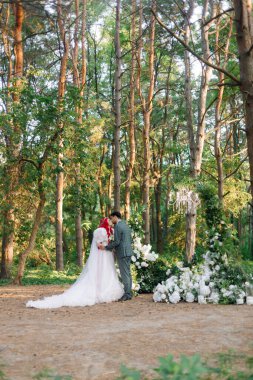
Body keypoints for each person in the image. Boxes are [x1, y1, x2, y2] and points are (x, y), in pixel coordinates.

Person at [26, 218, 123, 309]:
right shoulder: (100, 231)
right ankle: (99, 291)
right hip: (102, 253)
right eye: (108, 220)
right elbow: (98, 244)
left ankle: (104, 289)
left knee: (106, 271)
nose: (110, 222)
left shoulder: (110, 230)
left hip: (107, 254)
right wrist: (104, 245)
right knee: (100, 270)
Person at [98, 211, 133, 301]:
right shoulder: (125, 225)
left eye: (111, 218)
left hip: (122, 253)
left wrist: (106, 247)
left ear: (115, 217)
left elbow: (117, 242)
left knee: (124, 274)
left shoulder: (117, 226)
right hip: (128, 252)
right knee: (128, 273)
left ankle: (127, 294)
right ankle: (129, 293)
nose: (111, 220)